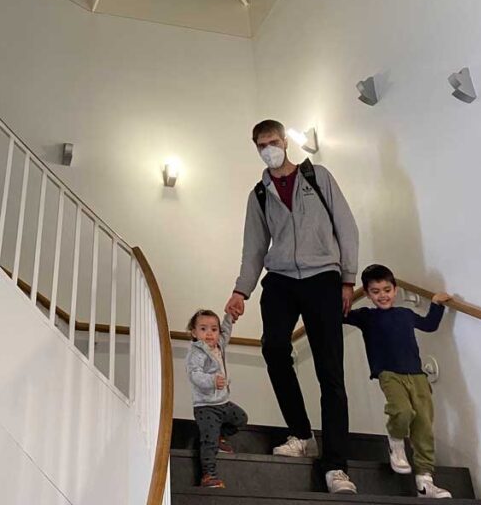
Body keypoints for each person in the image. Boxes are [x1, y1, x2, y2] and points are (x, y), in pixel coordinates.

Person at [225, 119, 359, 494]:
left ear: (285, 141)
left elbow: (346, 227)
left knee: (329, 371)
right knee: (274, 347)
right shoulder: (259, 195)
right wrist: (241, 291)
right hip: (281, 279)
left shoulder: (318, 177)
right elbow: (253, 248)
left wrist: (348, 278)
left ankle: (336, 467)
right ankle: (301, 434)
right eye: (261, 145)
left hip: (323, 278)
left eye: (272, 141)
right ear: (256, 148)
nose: (268, 149)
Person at [345, 264, 453, 499]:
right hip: (388, 373)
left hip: (416, 375)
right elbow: (337, 314)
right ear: (367, 293)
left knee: (424, 423)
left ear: (395, 290)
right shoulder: (366, 317)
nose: (382, 295)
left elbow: (429, 325)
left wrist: (436, 303)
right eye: (375, 291)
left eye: (387, 289)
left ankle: (425, 480)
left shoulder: (405, 314)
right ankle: (395, 442)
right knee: (402, 411)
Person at [185, 308, 249, 488]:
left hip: (223, 402)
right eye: (203, 329)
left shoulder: (219, 345)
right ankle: (209, 475)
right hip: (205, 406)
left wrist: (230, 316)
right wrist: (212, 381)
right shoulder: (196, 353)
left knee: (241, 419)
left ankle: (221, 436)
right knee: (209, 442)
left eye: (214, 329)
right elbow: (194, 375)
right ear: (194, 333)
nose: (209, 334)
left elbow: (226, 330)